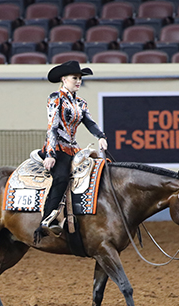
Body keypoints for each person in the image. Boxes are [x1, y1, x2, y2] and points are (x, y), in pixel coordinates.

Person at [34, 60, 109, 242]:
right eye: (75, 78)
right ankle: (47, 219)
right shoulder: (55, 98)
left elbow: (89, 122)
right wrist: (50, 154)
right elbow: (52, 127)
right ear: (64, 79)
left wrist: (101, 136)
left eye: (80, 78)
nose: (78, 81)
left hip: (73, 149)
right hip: (57, 148)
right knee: (61, 177)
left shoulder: (81, 103)